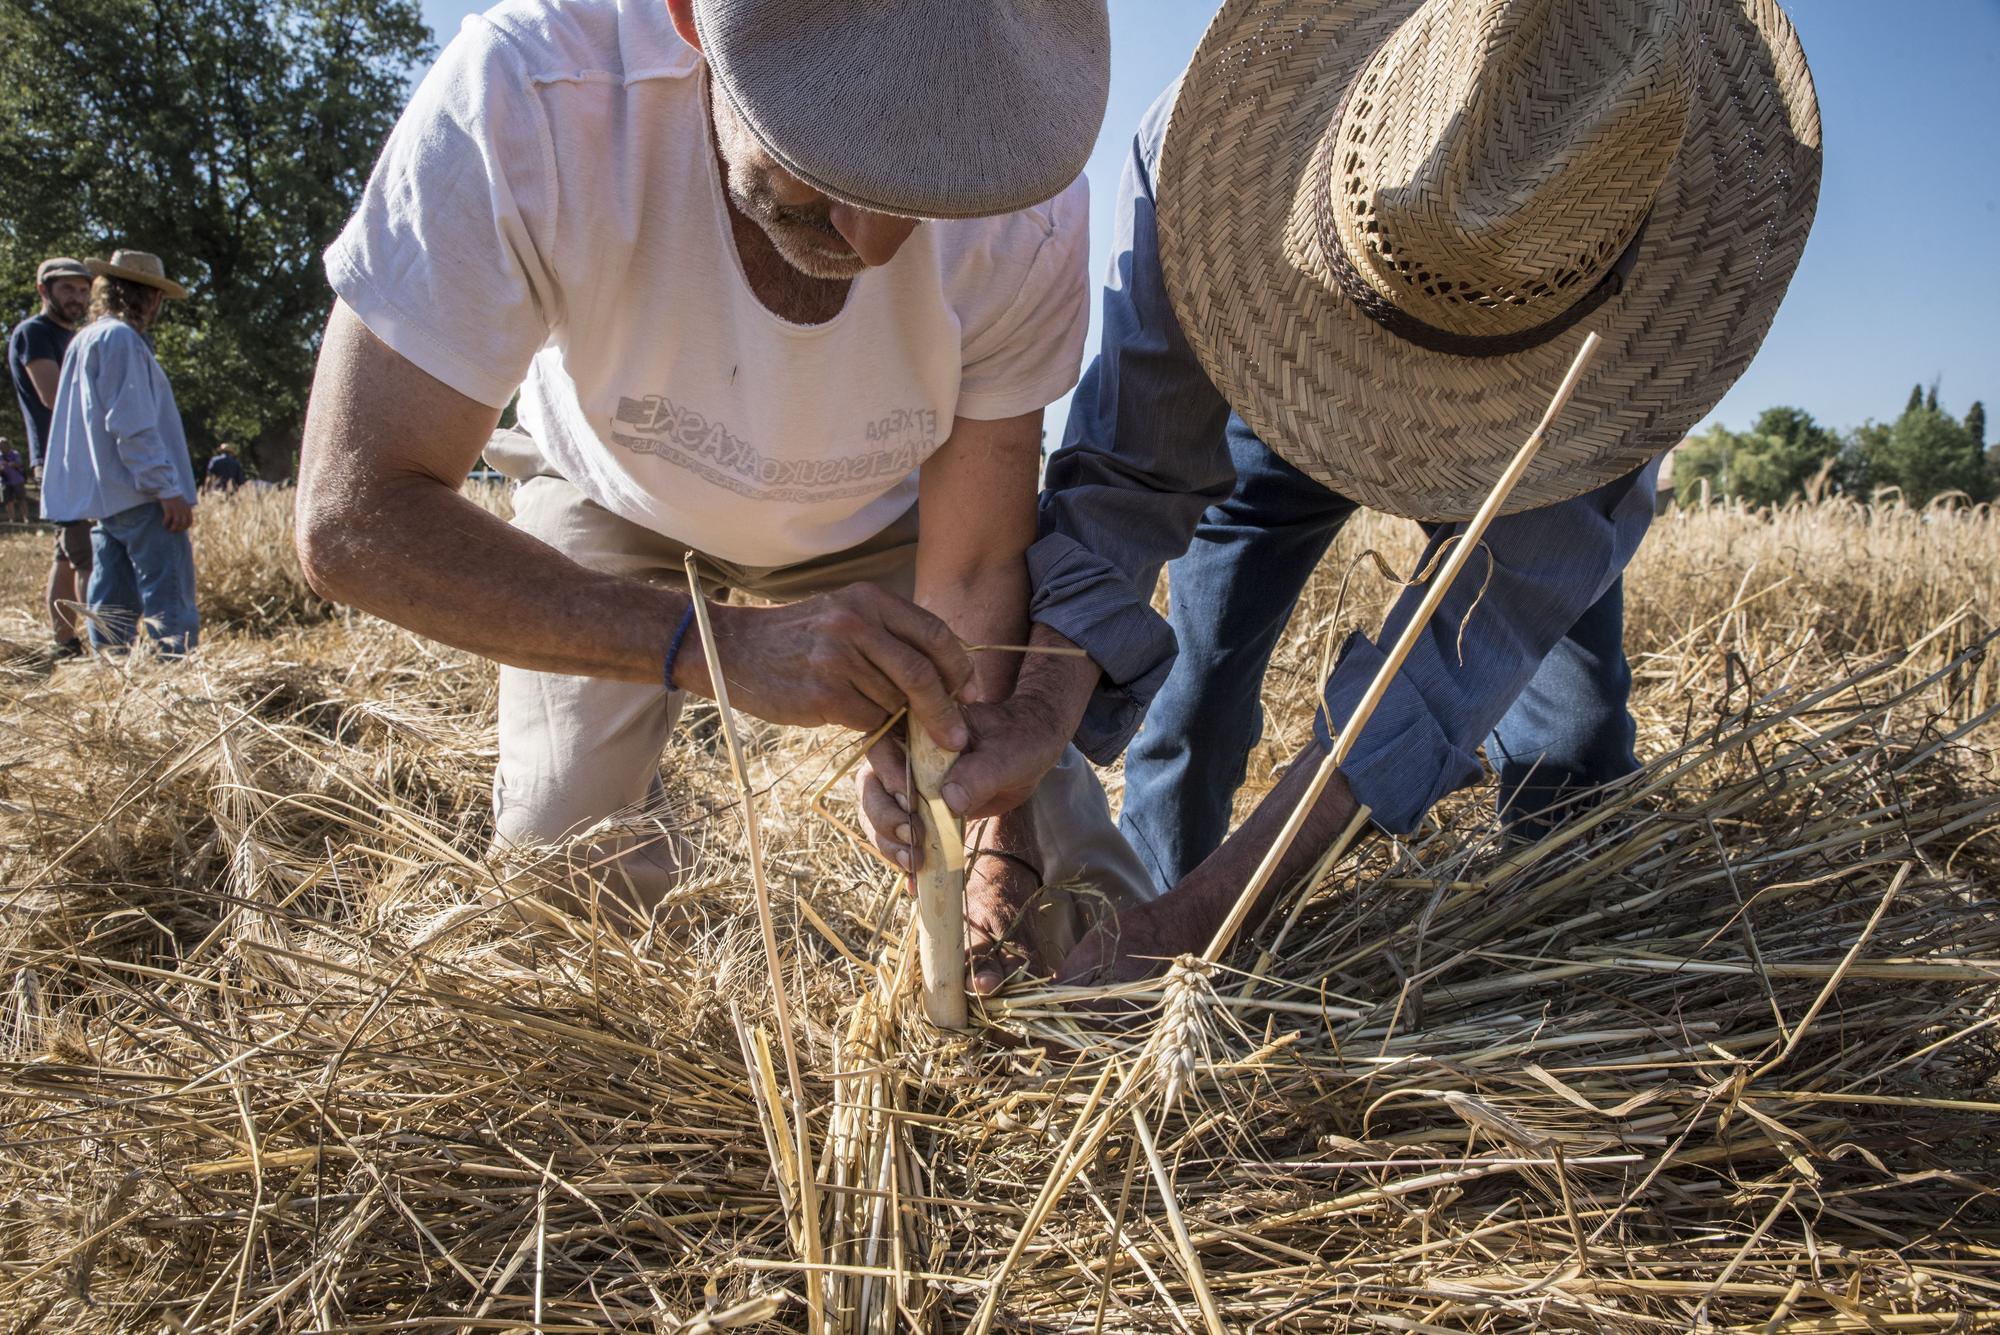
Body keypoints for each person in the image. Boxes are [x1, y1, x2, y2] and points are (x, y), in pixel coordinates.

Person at [862, 0, 1823, 986]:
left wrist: (1209, 919)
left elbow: (1457, 655)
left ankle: (1562, 981)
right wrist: (1010, 821)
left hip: (1538, 428)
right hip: (1273, 399)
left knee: (1567, 739)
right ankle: (1144, 952)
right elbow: (1123, 482)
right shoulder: (1197, 170)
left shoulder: (1629, 305)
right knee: (1190, 712)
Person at [296, 0, 1148, 950]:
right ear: (691, 22)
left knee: (1062, 877)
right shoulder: (534, 94)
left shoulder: (1018, 196)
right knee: (561, 878)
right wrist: (718, 646)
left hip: (883, 520)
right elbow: (353, 515)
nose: (871, 241)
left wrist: (988, 834)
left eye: (919, 193)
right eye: (821, 166)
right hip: (611, 493)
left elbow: (980, 564)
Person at [40, 250, 200, 657]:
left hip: (106, 499)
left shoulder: (85, 339)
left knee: (112, 598)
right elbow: (131, 424)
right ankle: (174, 673)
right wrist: (165, 488)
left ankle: (111, 675)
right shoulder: (121, 340)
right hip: (142, 494)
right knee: (169, 596)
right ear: (148, 297)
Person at [8, 256, 94, 657]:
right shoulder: (35, 333)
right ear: (44, 290)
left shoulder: (73, 336)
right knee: (85, 555)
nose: (77, 298)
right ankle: (103, 645)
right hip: (62, 459)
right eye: (67, 289)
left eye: (82, 290)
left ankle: (65, 641)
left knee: (67, 553)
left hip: (77, 458)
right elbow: (54, 396)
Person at [0, 440, 26, 522]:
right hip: (5, 481)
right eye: (1, 445)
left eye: (4, 445)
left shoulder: (15, 453)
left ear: (8, 445)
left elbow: (20, 464)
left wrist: (12, 464)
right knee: (8, 501)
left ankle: (25, 517)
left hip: (17, 480)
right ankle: (12, 518)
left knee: (21, 499)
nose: (2, 447)